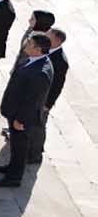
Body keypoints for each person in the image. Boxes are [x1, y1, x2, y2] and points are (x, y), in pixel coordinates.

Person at [0, 33, 54, 187]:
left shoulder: (40, 72)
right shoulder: (34, 61)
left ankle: (14, 178)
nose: (25, 45)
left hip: (21, 118)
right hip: (15, 112)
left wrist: (20, 120)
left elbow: (32, 101)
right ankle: (11, 168)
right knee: (15, 145)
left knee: (20, 148)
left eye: (29, 44)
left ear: (38, 50)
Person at [37, 28, 68, 163]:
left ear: (57, 40)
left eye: (49, 36)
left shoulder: (61, 61)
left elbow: (57, 86)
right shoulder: (47, 49)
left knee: (39, 124)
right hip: (34, 93)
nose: (46, 36)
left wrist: (47, 104)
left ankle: (36, 152)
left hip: (43, 99)